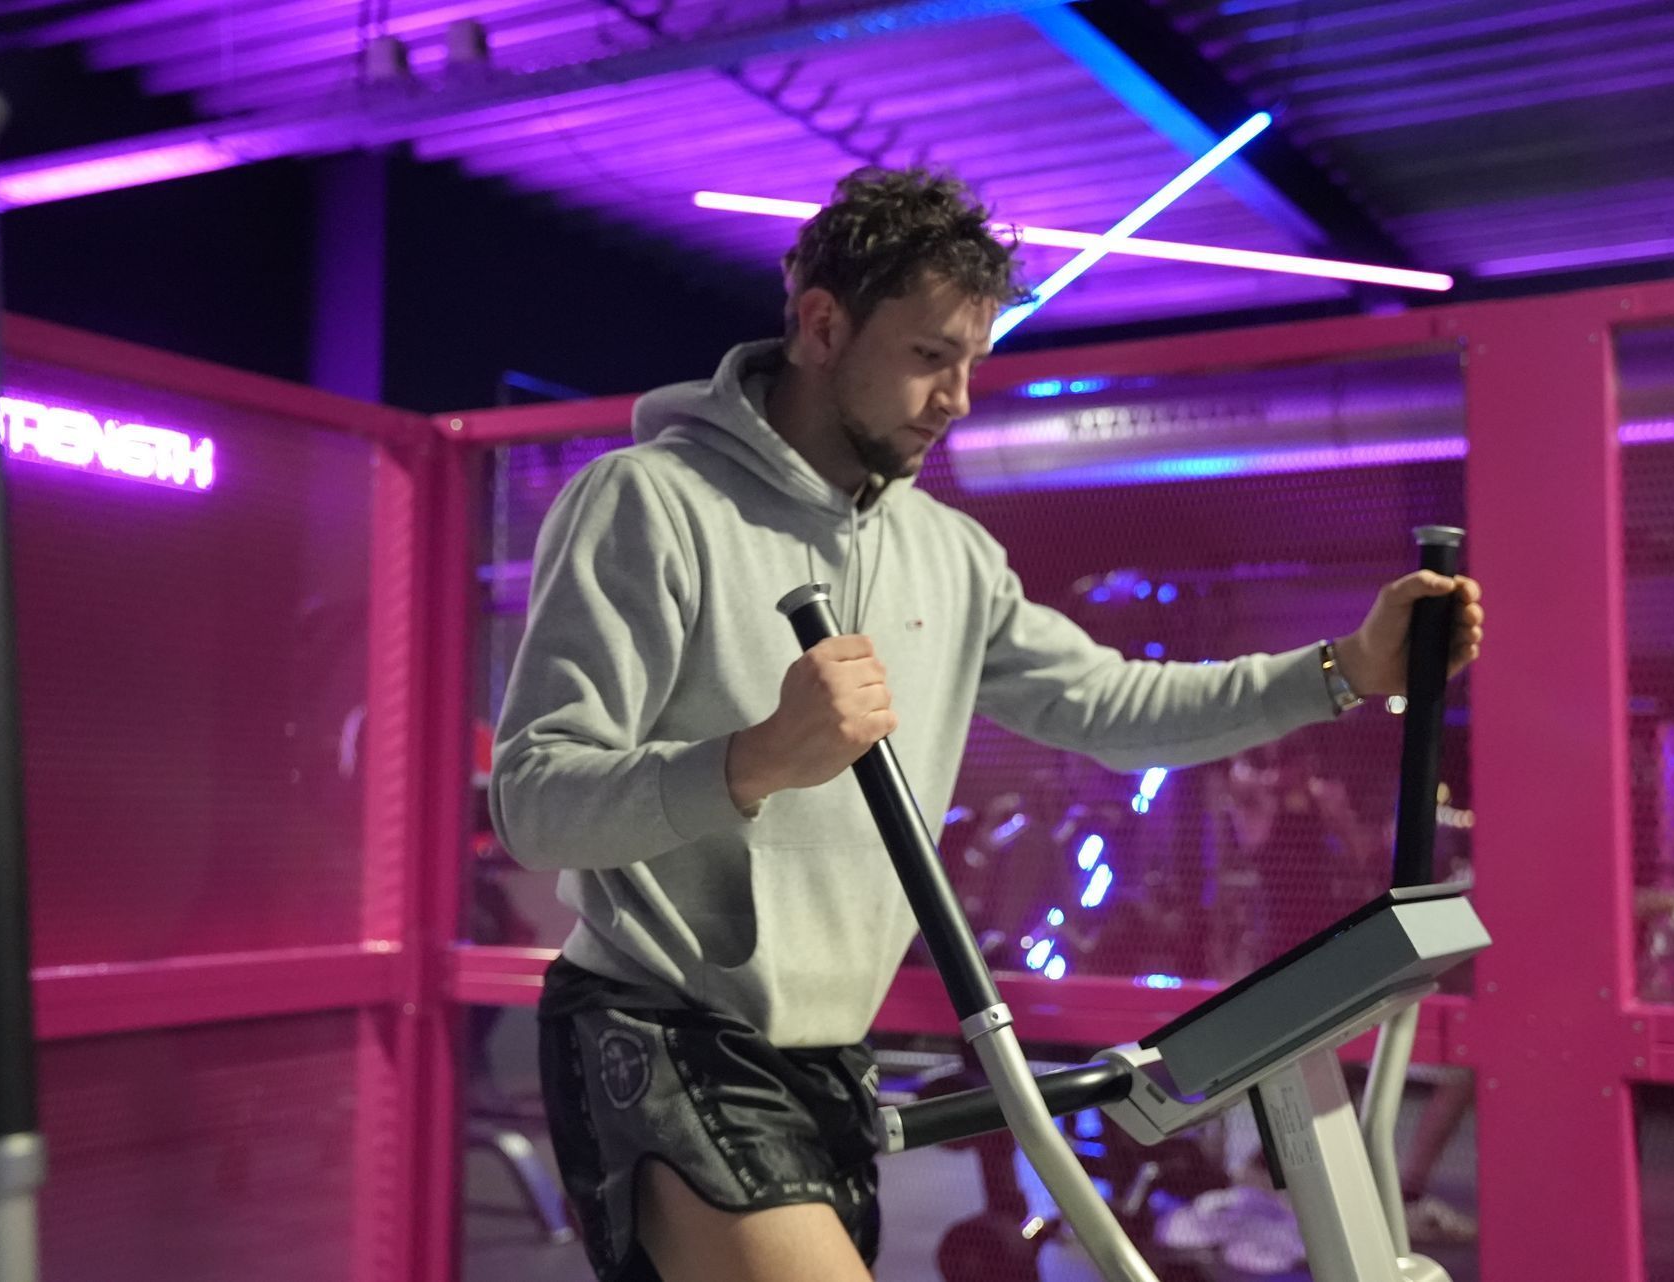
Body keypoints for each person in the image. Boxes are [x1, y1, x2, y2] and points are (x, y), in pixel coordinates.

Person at [489, 166, 1486, 1282]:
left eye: (973, 360)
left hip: (831, 1056)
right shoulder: (650, 501)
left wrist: (1344, 668)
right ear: (821, 324)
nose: (959, 396)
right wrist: (756, 758)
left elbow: (1111, 705)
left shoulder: (950, 555)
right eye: (926, 357)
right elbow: (534, 798)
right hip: (660, 1025)